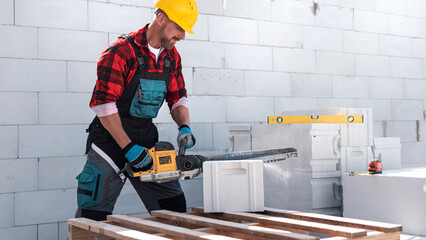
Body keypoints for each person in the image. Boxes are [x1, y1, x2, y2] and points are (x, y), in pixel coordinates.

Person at [75, 0, 198, 221]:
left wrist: (185, 127)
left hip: (146, 140)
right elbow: (103, 105)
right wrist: (129, 148)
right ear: (161, 18)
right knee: (92, 218)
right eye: (179, 28)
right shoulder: (121, 51)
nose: (183, 36)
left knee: (174, 210)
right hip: (109, 141)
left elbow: (177, 97)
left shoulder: (171, 57)